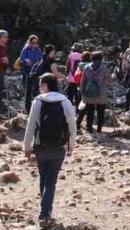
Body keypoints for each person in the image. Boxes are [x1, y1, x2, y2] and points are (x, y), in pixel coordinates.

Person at [23, 73, 77, 227]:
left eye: (41, 85)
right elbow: (72, 126)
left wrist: (26, 147)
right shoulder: (65, 101)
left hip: (41, 147)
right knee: (50, 181)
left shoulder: (38, 102)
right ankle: (45, 213)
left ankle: (44, 211)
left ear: (46, 85)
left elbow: (31, 124)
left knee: (43, 177)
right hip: (58, 147)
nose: (39, 88)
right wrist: (71, 145)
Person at [78, 50, 113, 133]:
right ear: (101, 58)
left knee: (90, 111)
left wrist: (82, 91)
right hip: (101, 93)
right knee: (101, 112)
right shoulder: (103, 68)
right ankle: (99, 129)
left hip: (89, 93)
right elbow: (110, 80)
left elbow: (83, 80)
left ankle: (89, 128)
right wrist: (107, 85)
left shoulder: (87, 67)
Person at [69, 50, 90, 116]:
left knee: (78, 98)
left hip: (79, 84)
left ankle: (77, 112)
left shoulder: (79, 64)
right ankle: (84, 114)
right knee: (87, 102)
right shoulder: (90, 65)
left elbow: (74, 72)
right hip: (88, 86)